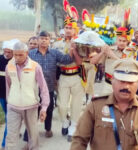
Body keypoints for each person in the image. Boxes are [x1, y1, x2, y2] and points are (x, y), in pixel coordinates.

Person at [70, 58, 138, 150]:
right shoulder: (96, 106)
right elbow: (80, 139)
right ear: (113, 80)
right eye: (122, 81)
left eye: (131, 82)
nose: (126, 86)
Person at [28, 31, 74, 138]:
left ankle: (48, 129)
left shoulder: (55, 53)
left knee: (49, 108)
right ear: (38, 40)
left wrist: (72, 50)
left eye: (46, 38)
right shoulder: (31, 54)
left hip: (49, 87)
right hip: (34, 88)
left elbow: (66, 60)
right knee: (33, 110)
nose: (44, 40)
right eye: (42, 38)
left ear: (49, 41)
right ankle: (31, 132)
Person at [5, 41, 49, 150]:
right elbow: (9, 85)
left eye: (21, 55)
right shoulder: (9, 66)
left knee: (33, 137)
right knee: (11, 136)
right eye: (15, 54)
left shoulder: (35, 66)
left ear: (27, 53)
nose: (18, 57)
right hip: (13, 107)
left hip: (31, 107)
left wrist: (44, 108)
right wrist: (9, 101)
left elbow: (43, 88)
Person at [52, 8, 84, 141]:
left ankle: (73, 128)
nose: (68, 30)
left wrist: (74, 49)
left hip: (77, 76)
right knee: (62, 105)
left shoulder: (81, 43)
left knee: (76, 105)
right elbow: (54, 61)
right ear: (63, 29)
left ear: (75, 29)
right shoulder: (56, 44)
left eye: (71, 27)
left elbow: (81, 62)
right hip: (63, 77)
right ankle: (65, 121)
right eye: (66, 27)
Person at [91, 8, 137, 95]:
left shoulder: (132, 52)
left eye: (124, 41)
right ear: (116, 40)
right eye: (120, 40)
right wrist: (102, 52)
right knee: (105, 108)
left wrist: (111, 55)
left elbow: (125, 65)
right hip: (107, 84)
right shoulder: (110, 49)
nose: (122, 43)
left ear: (128, 41)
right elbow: (93, 61)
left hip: (122, 85)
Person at [0, 40, 15, 149]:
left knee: (9, 118)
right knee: (8, 117)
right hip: (1, 94)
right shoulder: (0, 59)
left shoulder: (16, 62)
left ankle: (5, 143)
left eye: (9, 52)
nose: (7, 53)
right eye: (5, 51)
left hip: (12, 95)